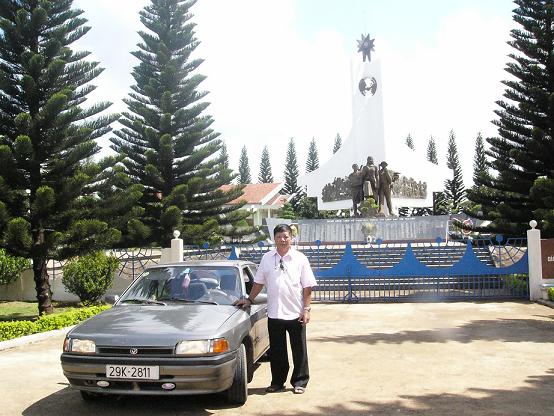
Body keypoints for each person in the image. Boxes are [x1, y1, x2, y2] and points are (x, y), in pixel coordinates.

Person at [234, 224, 317, 395]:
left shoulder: (300, 258)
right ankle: (278, 382)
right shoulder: (267, 258)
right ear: (274, 239)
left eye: (286, 236)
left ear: (291, 238)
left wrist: (306, 309)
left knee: (299, 349)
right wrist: (249, 299)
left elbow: (307, 286)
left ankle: (300, 381)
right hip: (274, 313)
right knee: (277, 351)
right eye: (279, 237)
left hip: (296, 313)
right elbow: (258, 282)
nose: (283, 240)